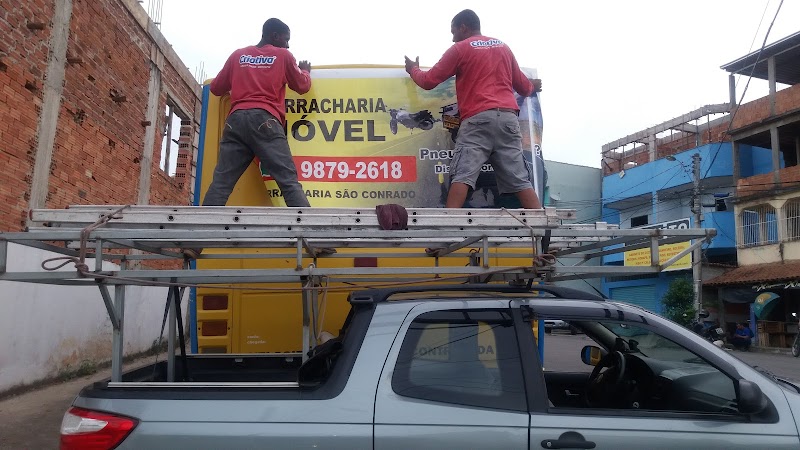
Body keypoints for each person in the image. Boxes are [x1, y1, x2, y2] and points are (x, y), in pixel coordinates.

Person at [404, 9, 543, 210]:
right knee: (520, 179)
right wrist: (532, 87)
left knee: (463, 174)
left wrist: (413, 70)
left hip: (478, 120)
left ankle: (449, 230)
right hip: (508, 119)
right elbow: (522, 86)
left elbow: (428, 81)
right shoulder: (503, 47)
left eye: (454, 32)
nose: (453, 39)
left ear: (463, 27)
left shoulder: (460, 49)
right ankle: (541, 229)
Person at [202, 18, 311, 208]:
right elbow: (302, 86)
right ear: (274, 36)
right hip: (265, 121)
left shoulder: (238, 55)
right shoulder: (283, 56)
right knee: (289, 182)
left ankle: (201, 232)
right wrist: (305, 71)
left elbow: (216, 88)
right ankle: (309, 233)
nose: (288, 44)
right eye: (286, 39)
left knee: (221, 184)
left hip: (235, 121)